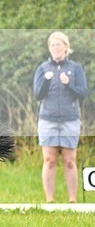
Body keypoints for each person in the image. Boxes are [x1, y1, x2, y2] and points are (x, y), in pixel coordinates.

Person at [33, 31, 89, 203]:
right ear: (49, 48)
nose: (56, 48)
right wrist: (47, 81)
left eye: (59, 44)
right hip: (48, 120)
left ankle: (72, 200)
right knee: (49, 160)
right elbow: (37, 94)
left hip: (70, 120)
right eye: (53, 45)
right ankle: (49, 200)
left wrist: (69, 84)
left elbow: (83, 93)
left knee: (69, 161)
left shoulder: (75, 68)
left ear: (66, 47)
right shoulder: (42, 69)